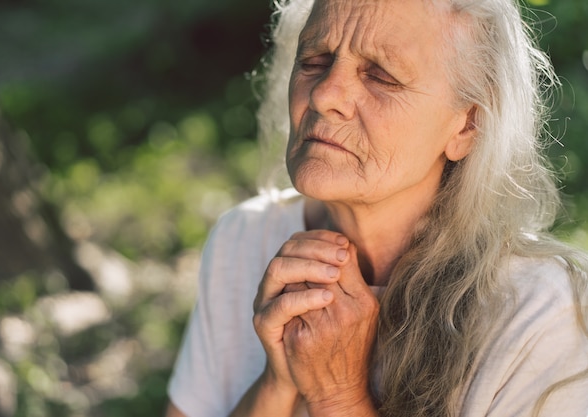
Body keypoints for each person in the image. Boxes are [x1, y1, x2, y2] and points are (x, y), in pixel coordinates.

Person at [165, 0, 588, 415]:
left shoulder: (549, 316)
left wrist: (338, 398)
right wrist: (280, 382)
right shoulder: (243, 238)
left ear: (468, 125)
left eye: (381, 76)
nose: (326, 94)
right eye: (315, 59)